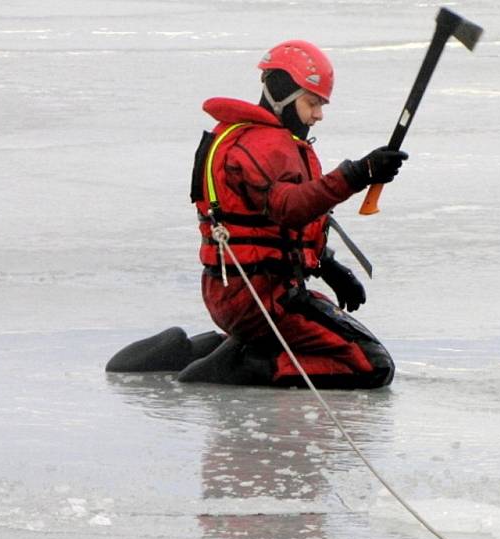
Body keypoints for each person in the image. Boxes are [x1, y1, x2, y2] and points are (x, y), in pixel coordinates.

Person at [106, 39, 407, 389]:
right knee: (372, 365)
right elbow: (288, 207)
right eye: (312, 103)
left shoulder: (259, 140)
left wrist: (328, 266)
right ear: (280, 92)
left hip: (244, 292)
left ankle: (195, 351)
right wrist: (357, 174)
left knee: (337, 346)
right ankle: (238, 366)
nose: (318, 115)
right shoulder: (261, 145)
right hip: (263, 298)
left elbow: (276, 226)